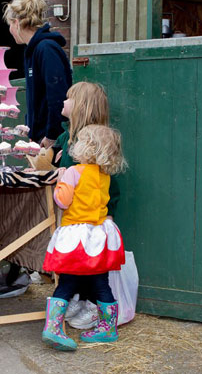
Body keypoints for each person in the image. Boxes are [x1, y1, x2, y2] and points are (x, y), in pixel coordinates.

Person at [41, 124, 127, 351]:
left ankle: (54, 327)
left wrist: (60, 181)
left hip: (75, 237)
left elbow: (63, 201)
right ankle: (108, 328)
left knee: (68, 280)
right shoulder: (104, 176)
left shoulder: (72, 172)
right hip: (98, 237)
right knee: (100, 283)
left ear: (87, 148)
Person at [53, 82, 122, 330]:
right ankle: (77, 299)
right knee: (79, 263)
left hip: (87, 219)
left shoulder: (91, 142)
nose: (63, 103)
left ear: (80, 106)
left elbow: (108, 187)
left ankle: (90, 303)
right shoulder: (69, 136)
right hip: (79, 218)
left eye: (68, 99)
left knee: (87, 265)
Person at [3, 0, 72, 147]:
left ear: (16, 22)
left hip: (53, 142)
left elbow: (58, 96)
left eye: (10, 25)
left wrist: (52, 135)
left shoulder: (46, 49)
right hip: (40, 139)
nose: (10, 31)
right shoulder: (32, 52)